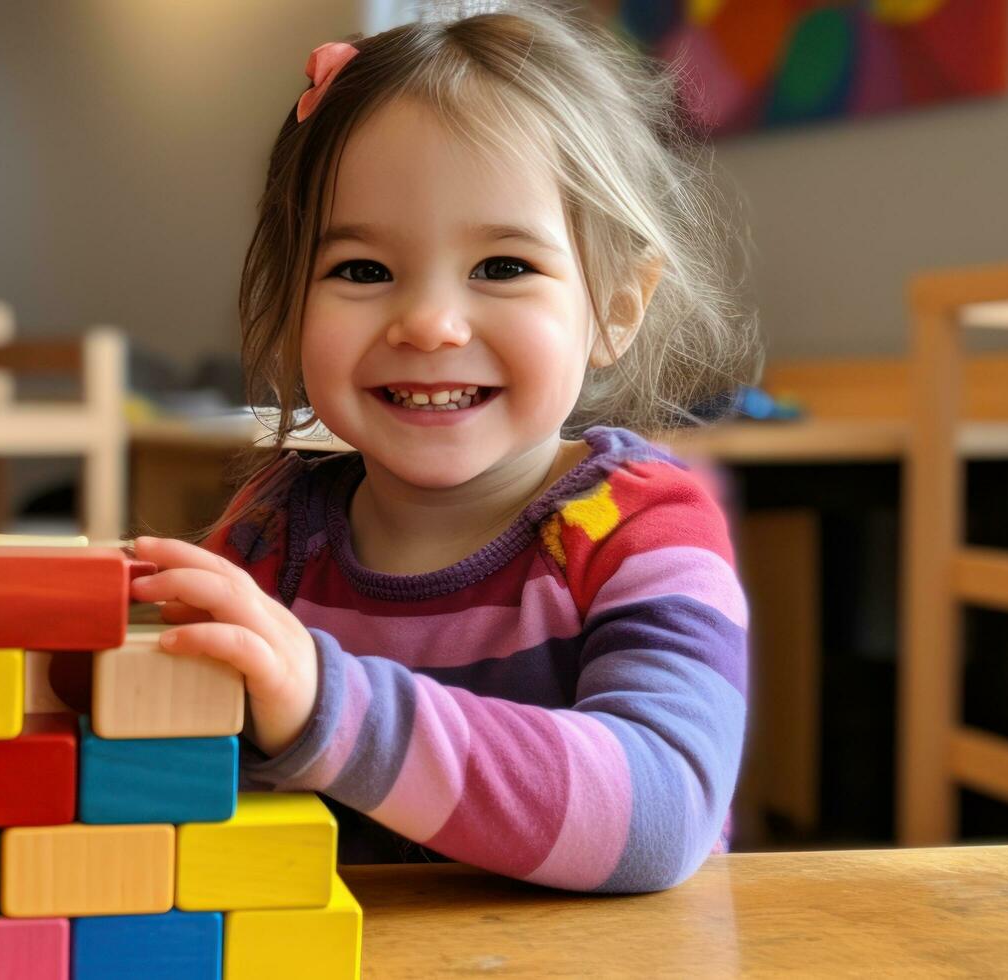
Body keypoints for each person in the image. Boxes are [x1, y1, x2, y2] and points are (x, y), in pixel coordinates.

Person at [129, 3, 759, 893]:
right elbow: (173, 778)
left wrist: (327, 704)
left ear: (616, 305)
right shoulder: (273, 533)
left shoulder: (641, 528)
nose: (427, 323)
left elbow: (659, 813)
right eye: (360, 270)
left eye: (502, 267)